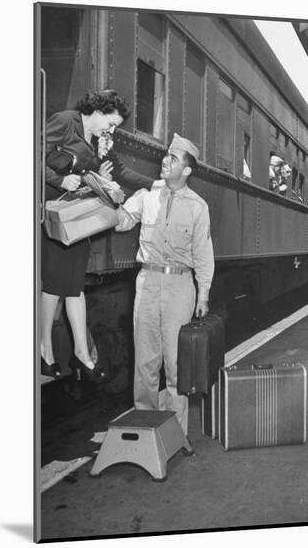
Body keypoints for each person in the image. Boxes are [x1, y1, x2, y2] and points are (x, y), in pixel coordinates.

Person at [41, 90, 154, 380]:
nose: (111, 130)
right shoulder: (66, 122)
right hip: (56, 214)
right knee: (56, 285)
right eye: (111, 123)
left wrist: (156, 184)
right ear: (97, 111)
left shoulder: (101, 142)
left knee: (74, 285)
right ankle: (44, 350)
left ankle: (80, 353)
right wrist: (58, 178)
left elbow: (123, 172)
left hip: (79, 218)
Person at [114, 133, 215, 434]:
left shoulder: (198, 207)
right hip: (147, 280)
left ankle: (175, 433)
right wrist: (111, 198)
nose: (164, 160)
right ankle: (145, 428)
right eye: (166, 155)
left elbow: (203, 253)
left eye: (173, 158)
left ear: (186, 170)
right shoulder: (147, 194)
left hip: (180, 286)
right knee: (145, 362)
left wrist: (203, 293)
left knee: (175, 364)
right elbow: (121, 221)